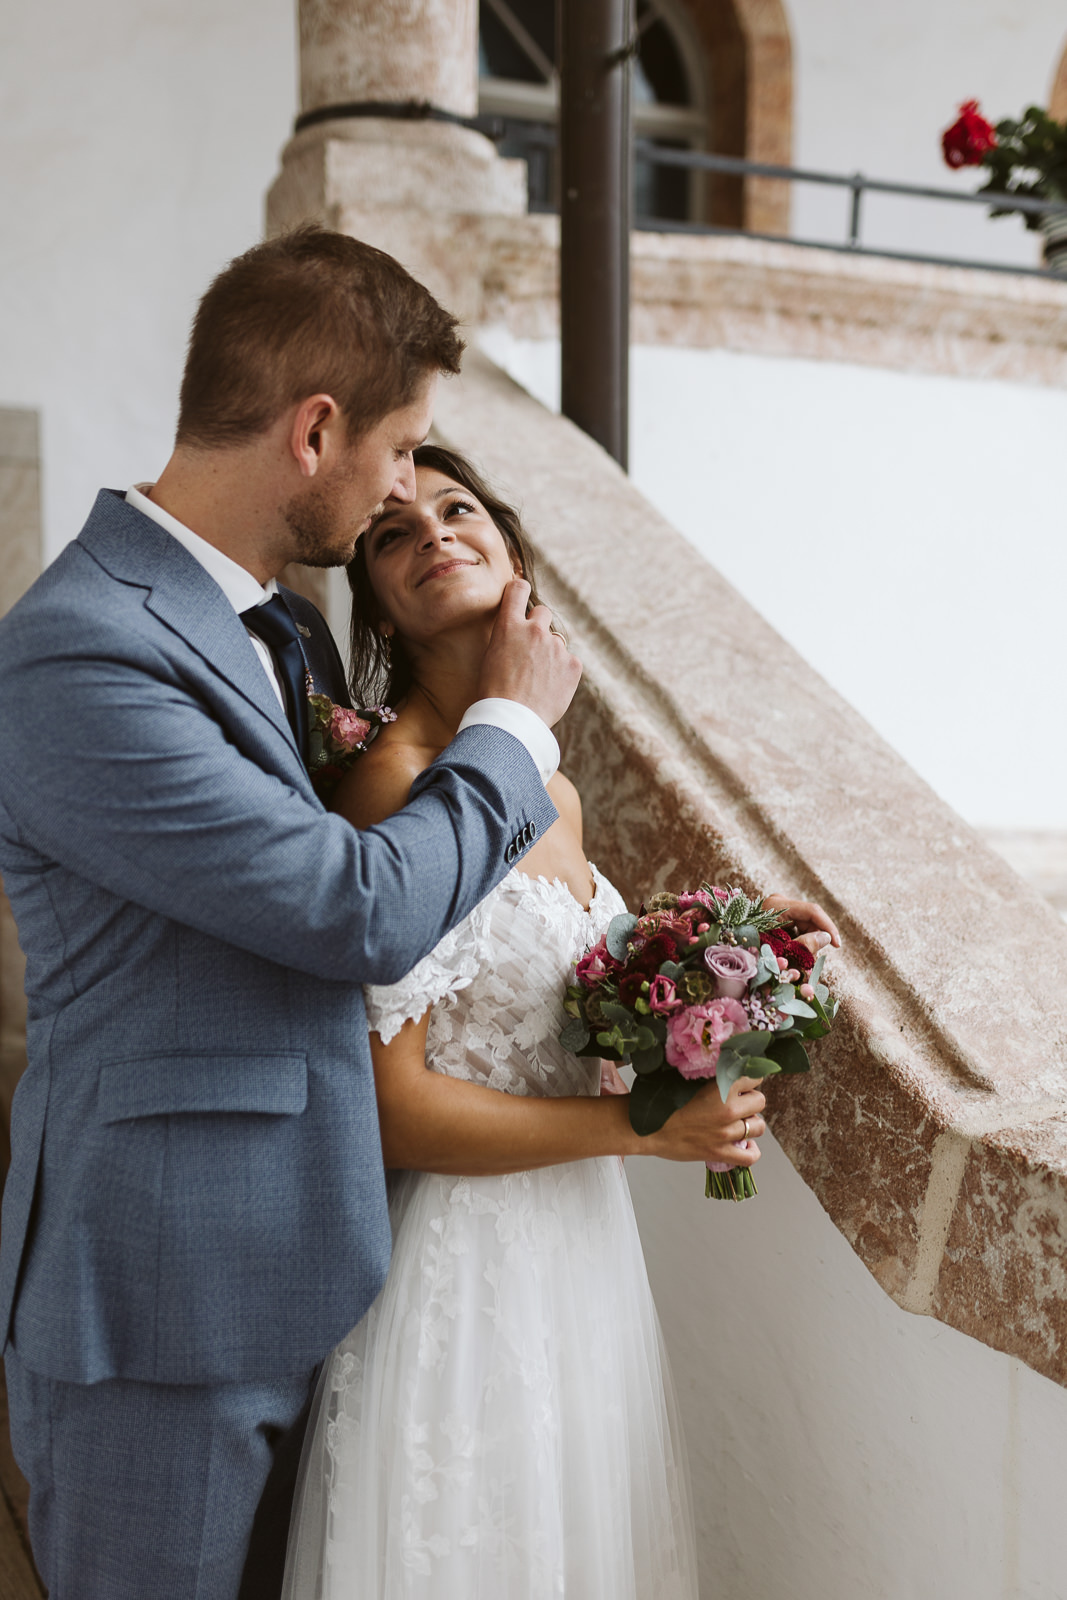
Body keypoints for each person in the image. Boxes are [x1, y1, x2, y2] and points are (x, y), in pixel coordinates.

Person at [0, 227, 583, 1600]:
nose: (404, 488)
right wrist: (507, 730)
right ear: (316, 432)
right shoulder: (81, 650)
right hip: (163, 1301)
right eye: (397, 453)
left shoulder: (285, 631)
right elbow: (350, 910)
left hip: (315, 1264)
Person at [280, 447, 840, 1599]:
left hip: (580, 1260)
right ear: (375, 601)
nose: (432, 532)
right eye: (392, 533)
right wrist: (646, 1135)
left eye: (456, 509)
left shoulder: (552, 789)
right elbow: (391, 1106)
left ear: (513, 553)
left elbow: (563, 1002)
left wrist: (718, 945)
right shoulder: (394, 785)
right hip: (464, 1273)